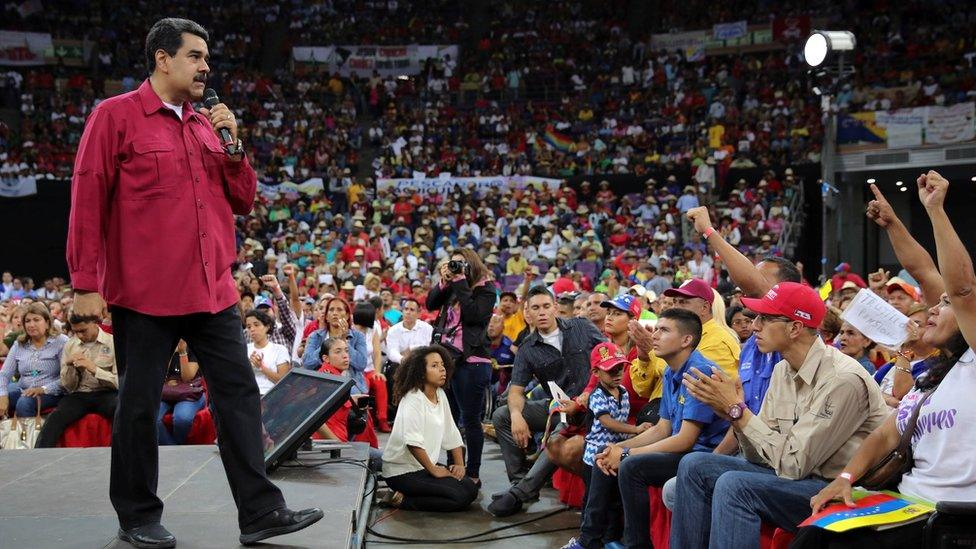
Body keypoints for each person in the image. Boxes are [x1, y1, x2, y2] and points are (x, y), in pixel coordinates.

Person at [66, 19, 321, 547]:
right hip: (144, 294)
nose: (206, 66)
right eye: (195, 56)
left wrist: (235, 149)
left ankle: (259, 513)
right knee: (136, 407)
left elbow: (244, 199)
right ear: (163, 59)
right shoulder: (114, 117)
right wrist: (85, 282)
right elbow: (88, 199)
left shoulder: (208, 126)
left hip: (214, 292)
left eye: (207, 57)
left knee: (240, 398)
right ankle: (137, 514)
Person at [795, 170, 976, 547]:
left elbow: (960, 288)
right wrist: (845, 480)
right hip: (901, 501)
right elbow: (883, 435)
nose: (931, 307)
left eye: (943, 305)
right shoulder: (934, 376)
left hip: (945, 518)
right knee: (812, 534)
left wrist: (935, 210)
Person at [672, 282, 889, 549]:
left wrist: (738, 413)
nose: (754, 326)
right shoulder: (782, 370)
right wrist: (732, 414)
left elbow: (794, 465)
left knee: (735, 485)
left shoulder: (842, 379)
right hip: (797, 477)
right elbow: (761, 457)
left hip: (836, 488)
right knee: (694, 465)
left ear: (795, 328)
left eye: (764, 319)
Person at [591, 309, 730, 548]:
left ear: (686, 340)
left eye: (664, 330)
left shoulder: (699, 372)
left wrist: (626, 454)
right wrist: (617, 447)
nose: (654, 335)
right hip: (684, 452)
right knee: (603, 450)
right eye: (656, 329)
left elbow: (685, 440)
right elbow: (662, 428)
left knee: (632, 466)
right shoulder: (670, 371)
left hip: (702, 456)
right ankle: (597, 536)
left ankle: (637, 544)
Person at [489, 285, 606, 517]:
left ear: (555, 308)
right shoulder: (526, 349)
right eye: (535, 308)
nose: (541, 312)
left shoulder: (581, 327)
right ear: (527, 313)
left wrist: (589, 394)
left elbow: (607, 353)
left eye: (545, 306)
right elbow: (516, 391)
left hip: (593, 402)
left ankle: (522, 492)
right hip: (559, 407)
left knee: (557, 434)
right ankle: (520, 482)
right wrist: (516, 417)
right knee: (501, 415)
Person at [560, 342, 652, 549]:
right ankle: (587, 541)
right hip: (595, 456)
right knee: (595, 501)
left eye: (620, 368)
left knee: (614, 500)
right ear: (596, 372)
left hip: (614, 453)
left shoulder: (624, 392)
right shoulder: (598, 395)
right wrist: (636, 430)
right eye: (611, 371)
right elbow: (607, 421)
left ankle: (610, 539)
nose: (617, 374)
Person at [426, 249, 496, 485]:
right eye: (452, 264)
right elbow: (430, 303)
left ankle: (473, 473)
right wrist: (445, 282)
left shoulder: (486, 289)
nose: (455, 267)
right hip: (448, 360)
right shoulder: (453, 288)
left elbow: (474, 315)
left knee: (470, 419)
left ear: (472, 264)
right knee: (450, 419)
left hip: (473, 362)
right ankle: (454, 468)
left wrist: (460, 282)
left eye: (460, 263)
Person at [381, 344, 479, 512]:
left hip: (422, 467)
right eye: (434, 366)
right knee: (459, 497)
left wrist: (460, 464)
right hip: (401, 472)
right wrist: (434, 470)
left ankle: (410, 494)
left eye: (442, 365)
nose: (442, 369)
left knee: (470, 488)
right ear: (421, 371)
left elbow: (451, 432)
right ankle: (402, 500)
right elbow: (413, 443)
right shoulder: (413, 399)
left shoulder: (440, 394)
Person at [35, 310, 118, 447]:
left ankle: (122, 455)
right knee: (55, 417)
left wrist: (94, 369)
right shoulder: (70, 345)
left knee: (121, 411)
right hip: (80, 394)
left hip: (106, 393)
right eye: (75, 332)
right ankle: (40, 454)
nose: (79, 336)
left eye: (83, 331)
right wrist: (71, 368)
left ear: (94, 323)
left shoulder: (112, 343)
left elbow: (118, 382)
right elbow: (68, 386)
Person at [0, 302, 68, 417]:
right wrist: (2, 395)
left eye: (36, 320)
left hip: (52, 392)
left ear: (47, 323)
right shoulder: (19, 344)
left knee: (24, 403)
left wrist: (42, 389)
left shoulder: (61, 342)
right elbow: (4, 374)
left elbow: (67, 378)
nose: (31, 324)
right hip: (23, 389)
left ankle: (31, 435)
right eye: (28, 321)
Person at [301, 297, 368, 394]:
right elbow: (307, 363)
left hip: (349, 381)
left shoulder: (358, 336)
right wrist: (331, 342)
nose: (335, 313)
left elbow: (361, 364)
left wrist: (344, 341)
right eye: (331, 310)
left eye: (339, 309)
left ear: (348, 315)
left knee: (349, 393)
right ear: (327, 317)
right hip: (321, 381)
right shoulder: (315, 336)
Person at [157, 339, 207, 445]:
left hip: (190, 392)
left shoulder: (195, 346)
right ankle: (174, 450)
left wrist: (183, 352)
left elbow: (187, 377)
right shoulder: (165, 344)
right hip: (167, 392)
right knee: (154, 418)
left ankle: (179, 449)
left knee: (182, 419)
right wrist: (169, 353)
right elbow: (160, 375)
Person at [353, 301, 390, 432]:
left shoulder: (372, 329)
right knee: (364, 385)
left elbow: (377, 352)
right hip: (357, 371)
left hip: (370, 369)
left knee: (380, 382)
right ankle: (364, 419)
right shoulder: (351, 329)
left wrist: (378, 371)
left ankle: (382, 419)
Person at [245, 309, 292, 395]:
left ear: (267, 326)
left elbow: (283, 381)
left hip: (271, 395)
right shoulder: (244, 349)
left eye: (256, 325)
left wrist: (261, 367)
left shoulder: (280, 349)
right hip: (248, 395)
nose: (252, 329)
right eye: (249, 327)